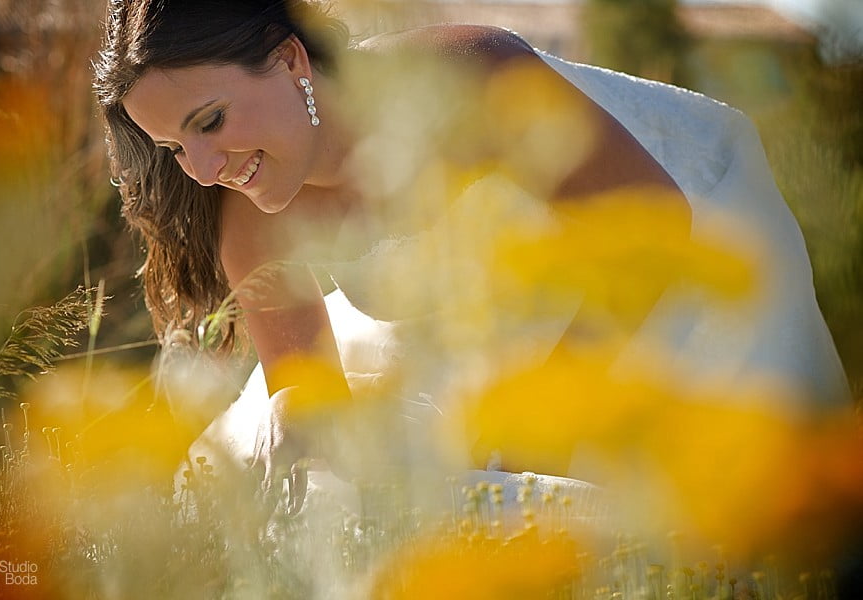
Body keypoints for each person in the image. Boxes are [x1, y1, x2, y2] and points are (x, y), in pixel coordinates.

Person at [95, 0, 850, 516]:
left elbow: (652, 223)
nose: (197, 168)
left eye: (210, 120)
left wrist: (535, 433)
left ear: (291, 61)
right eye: (172, 147)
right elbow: (309, 390)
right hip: (486, 328)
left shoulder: (463, 79)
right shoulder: (250, 224)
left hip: (662, 246)